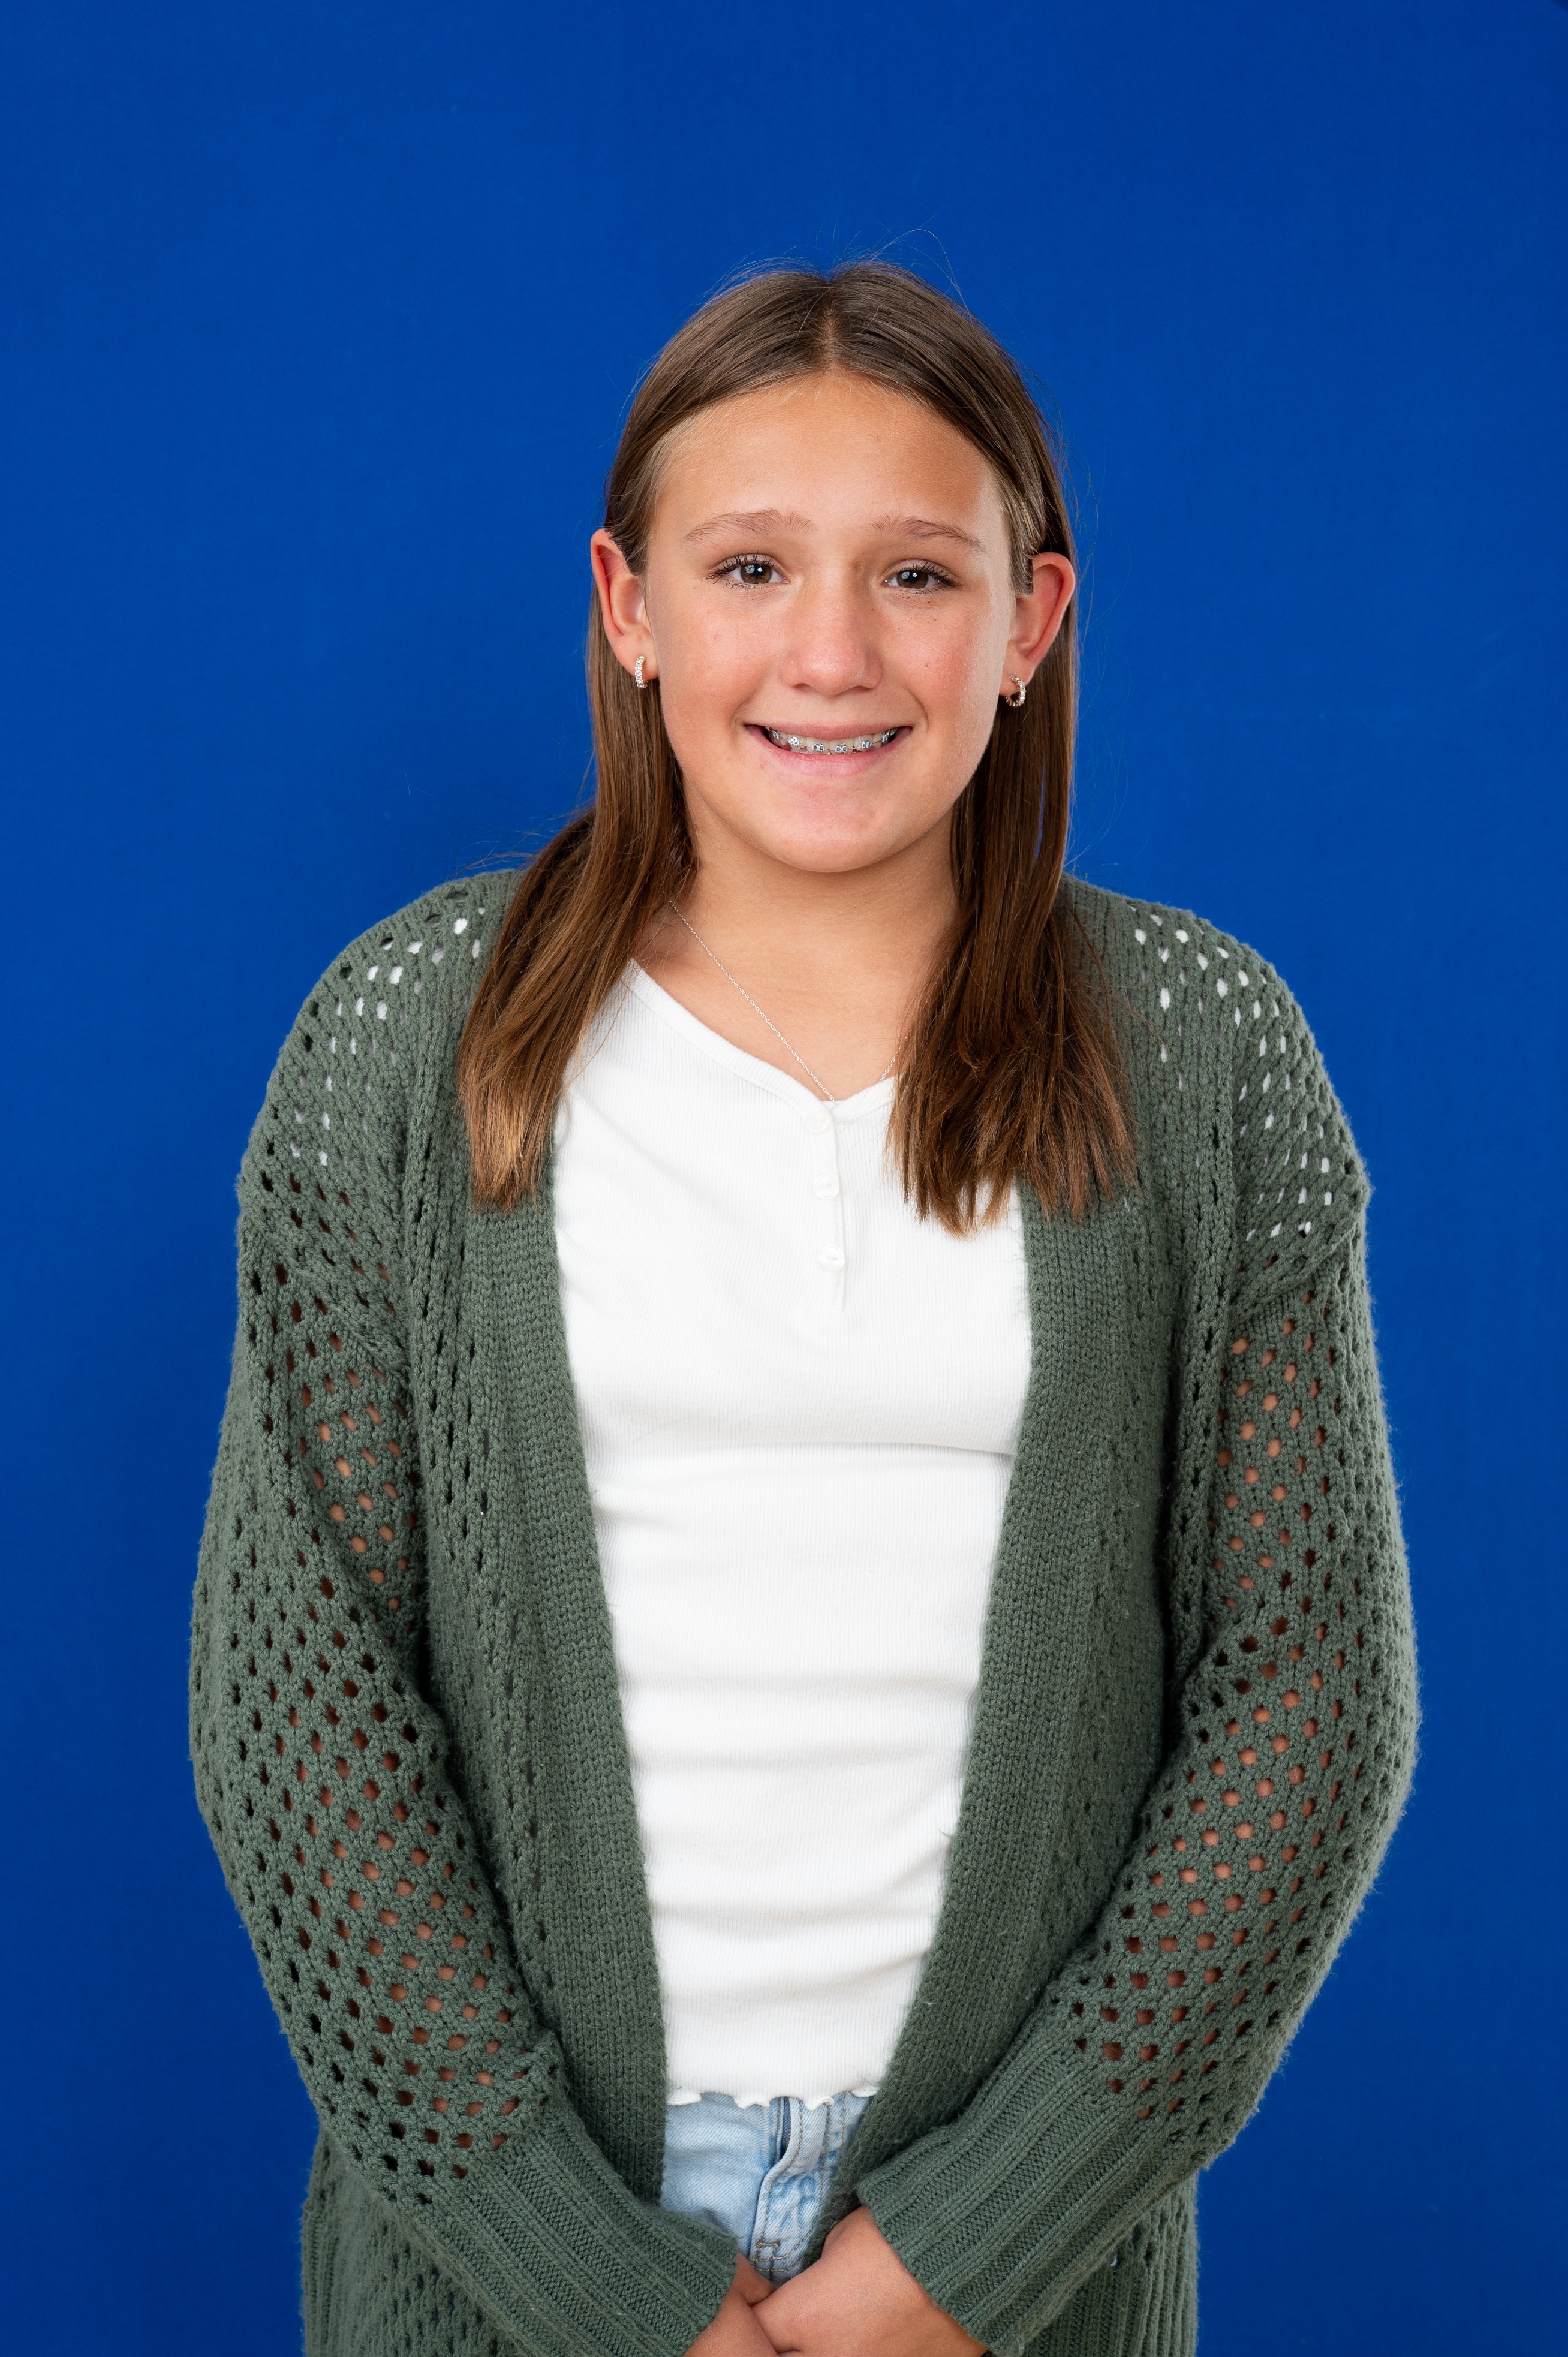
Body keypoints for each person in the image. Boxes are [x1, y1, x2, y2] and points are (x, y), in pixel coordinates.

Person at [192, 261, 1416, 2357]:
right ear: (631, 607)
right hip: (511, 2255)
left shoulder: (1207, 1057)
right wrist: (601, 2282)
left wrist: (966, 2252)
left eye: (918, 575)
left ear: (1029, 621)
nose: (832, 653)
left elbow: (1307, 1702)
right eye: (750, 565)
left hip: (1014, 2260)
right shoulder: (407, 1046)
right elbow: (299, 1717)